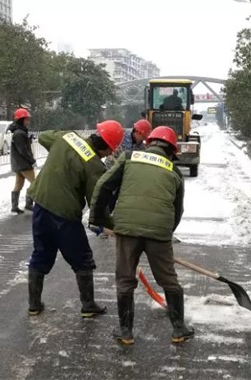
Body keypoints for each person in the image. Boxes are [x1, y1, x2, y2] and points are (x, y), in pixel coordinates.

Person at [88, 126, 194, 345]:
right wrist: (164, 233)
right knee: (169, 280)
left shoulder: (128, 157)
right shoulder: (174, 171)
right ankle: (179, 329)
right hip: (159, 232)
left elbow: (104, 185)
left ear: (149, 142)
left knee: (125, 279)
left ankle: (125, 332)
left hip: (127, 229)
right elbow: (178, 210)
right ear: (171, 150)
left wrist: (98, 218)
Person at [26, 120, 124, 318]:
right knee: (82, 259)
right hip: (64, 216)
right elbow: (97, 201)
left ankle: (34, 305)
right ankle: (88, 306)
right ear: (105, 146)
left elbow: (44, 136)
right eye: (109, 151)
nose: (107, 155)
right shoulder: (94, 165)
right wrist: (112, 226)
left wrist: (59, 147)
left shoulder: (66, 137)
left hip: (41, 206)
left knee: (41, 254)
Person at [8, 108, 36, 214]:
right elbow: (22, 150)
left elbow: (21, 145)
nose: (27, 121)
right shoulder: (19, 133)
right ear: (21, 120)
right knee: (35, 183)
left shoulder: (18, 132)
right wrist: (32, 160)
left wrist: (28, 140)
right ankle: (29, 204)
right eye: (26, 119)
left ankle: (14, 206)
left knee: (19, 184)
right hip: (23, 163)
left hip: (18, 163)